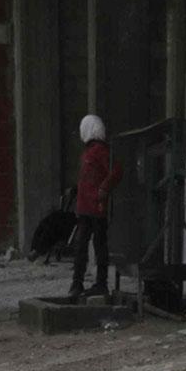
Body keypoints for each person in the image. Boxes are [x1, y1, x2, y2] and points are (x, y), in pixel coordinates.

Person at [69, 114, 121, 298]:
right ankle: (77, 284)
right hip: (85, 207)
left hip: (96, 207)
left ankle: (99, 283)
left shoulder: (99, 150)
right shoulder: (88, 151)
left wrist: (104, 188)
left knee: (98, 246)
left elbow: (116, 170)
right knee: (81, 246)